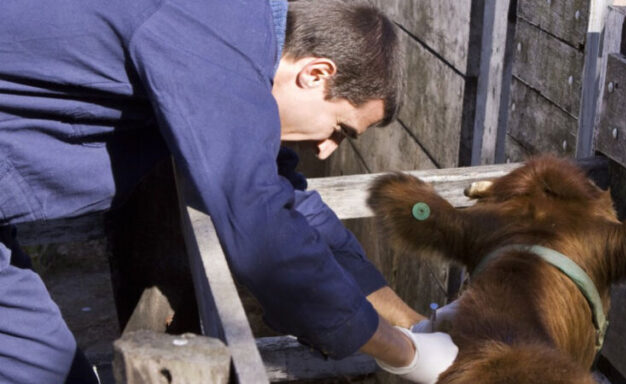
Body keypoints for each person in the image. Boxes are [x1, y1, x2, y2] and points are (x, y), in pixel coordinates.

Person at [0, 0, 458, 383]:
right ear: (316, 74)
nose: (324, 149)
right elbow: (263, 230)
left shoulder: (232, 38)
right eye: (340, 128)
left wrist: (415, 323)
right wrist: (405, 355)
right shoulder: (209, 34)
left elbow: (290, 199)